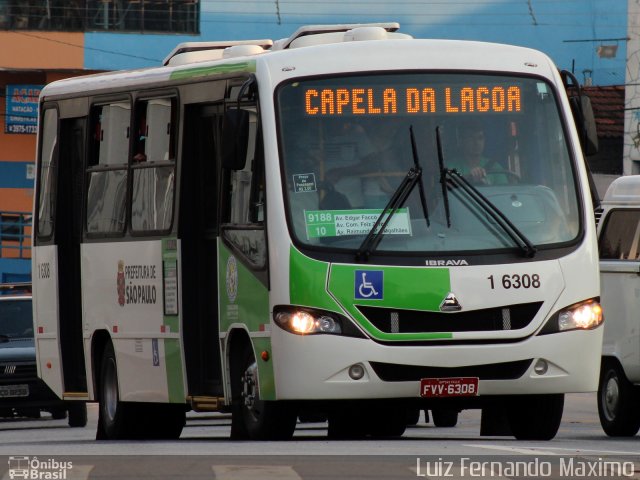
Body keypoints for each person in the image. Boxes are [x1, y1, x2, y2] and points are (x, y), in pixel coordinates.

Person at [450, 120, 508, 185]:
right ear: (461, 141)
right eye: (471, 138)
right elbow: (445, 186)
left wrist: (487, 184)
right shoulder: (451, 167)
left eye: (480, 138)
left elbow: (502, 192)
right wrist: (469, 178)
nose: (476, 142)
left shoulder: (496, 167)